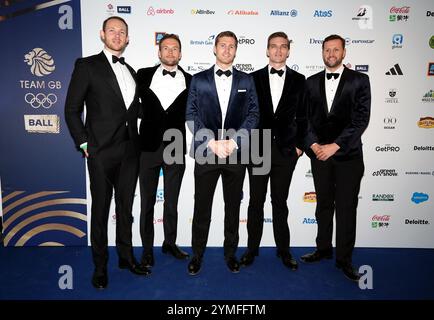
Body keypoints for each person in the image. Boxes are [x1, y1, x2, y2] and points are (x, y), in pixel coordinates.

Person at [65, 16, 151, 289]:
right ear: (102, 34)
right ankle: (100, 267)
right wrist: (84, 143)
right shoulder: (87, 66)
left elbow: (133, 111)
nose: (117, 35)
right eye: (112, 30)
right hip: (100, 152)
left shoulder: (132, 71)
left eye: (122, 31)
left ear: (127, 38)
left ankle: (126, 257)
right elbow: (71, 110)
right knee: (101, 211)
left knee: (125, 210)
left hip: (130, 151)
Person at [185, 31, 259, 275]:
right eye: (223, 45)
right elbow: (191, 115)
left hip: (236, 154)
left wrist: (234, 142)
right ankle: (197, 255)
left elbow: (253, 115)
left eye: (231, 46)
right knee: (201, 207)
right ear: (214, 48)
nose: (227, 50)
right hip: (207, 153)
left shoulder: (247, 81)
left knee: (232, 208)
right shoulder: (198, 79)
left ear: (236, 50)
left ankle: (230, 254)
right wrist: (211, 142)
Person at [300, 34, 371, 282]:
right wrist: (314, 144)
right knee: (323, 205)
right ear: (322, 53)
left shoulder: (360, 81)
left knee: (346, 207)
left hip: (348, 156)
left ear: (343, 52)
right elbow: (304, 119)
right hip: (319, 155)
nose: (331, 54)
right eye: (327, 50)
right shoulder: (310, 83)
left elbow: (361, 119)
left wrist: (336, 145)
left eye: (335, 50)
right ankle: (322, 249)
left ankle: (344, 259)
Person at [240, 32, 306, 270]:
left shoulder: (300, 80)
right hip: (257, 149)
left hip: (286, 151)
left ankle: (284, 250)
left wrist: (300, 146)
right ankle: (251, 249)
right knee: (255, 202)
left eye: (283, 47)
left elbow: (304, 117)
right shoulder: (251, 78)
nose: (278, 51)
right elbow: (245, 114)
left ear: (288, 51)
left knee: (280, 202)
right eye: (273, 47)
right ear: (267, 50)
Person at [136, 34, 192, 267]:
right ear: (159, 53)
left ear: (180, 54)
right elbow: (128, 105)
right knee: (147, 201)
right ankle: (147, 249)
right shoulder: (142, 74)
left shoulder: (191, 80)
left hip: (175, 145)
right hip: (147, 146)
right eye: (166, 48)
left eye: (174, 49)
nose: (170, 52)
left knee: (171, 201)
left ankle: (170, 242)